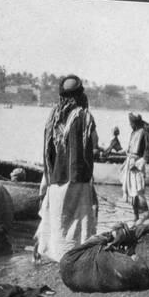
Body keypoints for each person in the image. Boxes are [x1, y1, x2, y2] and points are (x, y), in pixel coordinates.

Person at [34, 75, 99, 262]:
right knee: (79, 221)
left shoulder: (53, 116)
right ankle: (75, 256)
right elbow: (93, 142)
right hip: (78, 178)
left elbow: (47, 149)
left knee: (57, 221)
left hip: (55, 178)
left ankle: (55, 255)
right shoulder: (84, 116)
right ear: (80, 94)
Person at [121, 112, 149, 220]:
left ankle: (146, 216)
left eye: (131, 123)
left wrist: (138, 164)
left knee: (139, 192)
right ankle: (136, 216)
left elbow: (148, 153)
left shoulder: (144, 133)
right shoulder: (133, 133)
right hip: (130, 165)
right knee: (132, 194)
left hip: (137, 166)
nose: (130, 125)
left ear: (135, 123)